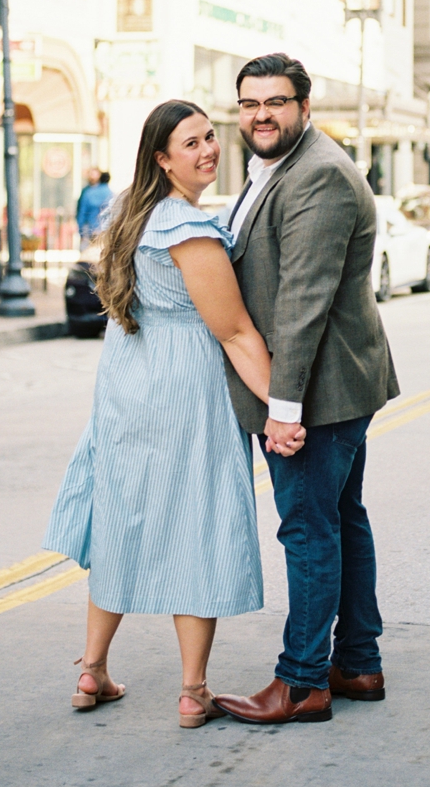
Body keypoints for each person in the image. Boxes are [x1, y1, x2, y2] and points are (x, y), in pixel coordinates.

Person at [43, 101, 305, 727]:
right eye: (191, 143)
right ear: (162, 158)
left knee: (122, 520)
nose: (209, 149)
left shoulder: (135, 217)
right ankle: (193, 690)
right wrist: (284, 409)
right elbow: (237, 332)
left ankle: (91, 669)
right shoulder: (187, 228)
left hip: (128, 385)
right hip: (185, 389)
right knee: (196, 522)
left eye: (210, 137)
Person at [212, 53, 400, 727]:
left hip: (318, 392)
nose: (261, 113)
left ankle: (301, 682)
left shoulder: (317, 175)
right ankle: (356, 660)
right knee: (342, 517)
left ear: (304, 107)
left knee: (309, 528)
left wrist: (280, 410)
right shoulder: (279, 167)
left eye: (276, 101)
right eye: (249, 102)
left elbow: (302, 303)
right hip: (338, 383)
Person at [75, 169, 114, 249]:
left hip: (90, 229)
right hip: (105, 230)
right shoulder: (111, 194)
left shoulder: (88, 193)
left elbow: (82, 214)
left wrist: (81, 232)